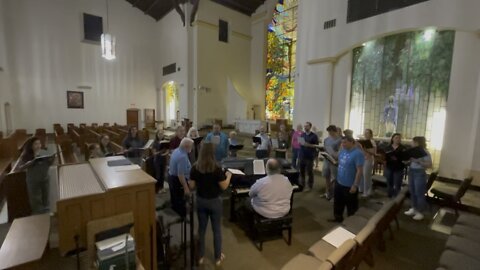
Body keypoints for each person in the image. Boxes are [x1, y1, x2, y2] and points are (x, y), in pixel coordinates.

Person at [189, 143, 232, 266]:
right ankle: (218, 257)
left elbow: (191, 186)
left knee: (201, 230)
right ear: (212, 153)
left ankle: (201, 256)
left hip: (201, 201)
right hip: (214, 202)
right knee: (216, 230)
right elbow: (224, 186)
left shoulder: (195, 167)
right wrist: (228, 176)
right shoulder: (217, 168)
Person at [330, 136, 364, 222]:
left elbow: (359, 171)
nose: (343, 144)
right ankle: (338, 218)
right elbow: (340, 163)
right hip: (339, 181)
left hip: (350, 185)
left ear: (352, 142)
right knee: (338, 203)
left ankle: (351, 223)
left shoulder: (358, 153)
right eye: (342, 142)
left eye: (345, 142)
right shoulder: (343, 151)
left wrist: (355, 185)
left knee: (351, 206)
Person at [17, 137, 54, 214]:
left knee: (46, 199)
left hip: (45, 178)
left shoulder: (44, 152)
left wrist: (52, 160)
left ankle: (46, 215)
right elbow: (19, 168)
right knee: (36, 200)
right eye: (36, 144)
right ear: (31, 146)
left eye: (39, 143)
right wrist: (30, 163)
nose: (38, 145)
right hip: (33, 180)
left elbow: (48, 164)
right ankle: (38, 216)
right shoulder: (26, 155)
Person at [404, 136, 432, 221]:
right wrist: (407, 161)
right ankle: (414, 208)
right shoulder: (413, 151)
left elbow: (429, 165)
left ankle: (420, 212)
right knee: (412, 192)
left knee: (419, 193)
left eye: (412, 141)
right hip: (411, 171)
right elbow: (411, 161)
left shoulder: (424, 152)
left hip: (419, 173)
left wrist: (417, 161)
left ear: (417, 142)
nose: (411, 143)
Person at [168, 138, 194, 217]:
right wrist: (186, 188)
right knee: (179, 199)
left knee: (174, 197)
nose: (192, 148)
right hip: (177, 179)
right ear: (186, 146)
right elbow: (180, 175)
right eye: (191, 146)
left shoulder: (176, 150)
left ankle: (175, 209)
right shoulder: (182, 156)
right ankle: (182, 216)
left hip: (171, 176)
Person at [384, 133, 406, 198]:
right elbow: (385, 157)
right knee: (389, 182)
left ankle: (396, 198)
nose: (398, 139)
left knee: (397, 184)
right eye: (396, 138)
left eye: (399, 138)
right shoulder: (388, 147)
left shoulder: (403, 148)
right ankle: (390, 195)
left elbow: (405, 158)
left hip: (399, 168)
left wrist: (398, 158)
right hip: (389, 167)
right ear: (392, 139)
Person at [299, 122, 319, 192]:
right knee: (301, 171)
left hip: (309, 156)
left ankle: (310, 186)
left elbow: (316, 146)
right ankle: (302, 184)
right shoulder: (302, 134)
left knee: (309, 172)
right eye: (304, 126)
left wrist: (308, 145)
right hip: (302, 155)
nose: (305, 127)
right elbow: (301, 143)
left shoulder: (314, 136)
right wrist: (301, 143)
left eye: (306, 126)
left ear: (310, 127)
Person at [322, 125, 341, 199]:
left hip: (334, 161)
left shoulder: (339, 140)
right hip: (327, 159)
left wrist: (335, 155)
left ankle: (334, 195)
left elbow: (340, 151)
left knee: (335, 178)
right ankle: (327, 193)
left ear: (334, 131)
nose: (330, 133)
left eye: (331, 131)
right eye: (329, 132)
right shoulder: (326, 139)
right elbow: (325, 148)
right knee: (327, 176)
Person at [359, 129, 376, 197]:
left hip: (368, 160)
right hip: (362, 159)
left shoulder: (372, 142)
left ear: (371, 134)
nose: (366, 134)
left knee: (366, 175)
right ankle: (361, 188)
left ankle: (367, 191)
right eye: (365, 133)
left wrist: (365, 150)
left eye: (367, 133)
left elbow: (373, 153)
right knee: (361, 174)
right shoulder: (363, 141)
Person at [151, 129, 169, 193]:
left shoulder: (165, 141)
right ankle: (157, 188)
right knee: (158, 175)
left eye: (162, 134)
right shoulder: (155, 142)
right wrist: (160, 152)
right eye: (160, 134)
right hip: (157, 160)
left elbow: (167, 150)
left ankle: (162, 187)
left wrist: (165, 153)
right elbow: (154, 153)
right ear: (157, 135)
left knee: (162, 175)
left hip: (163, 159)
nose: (161, 135)